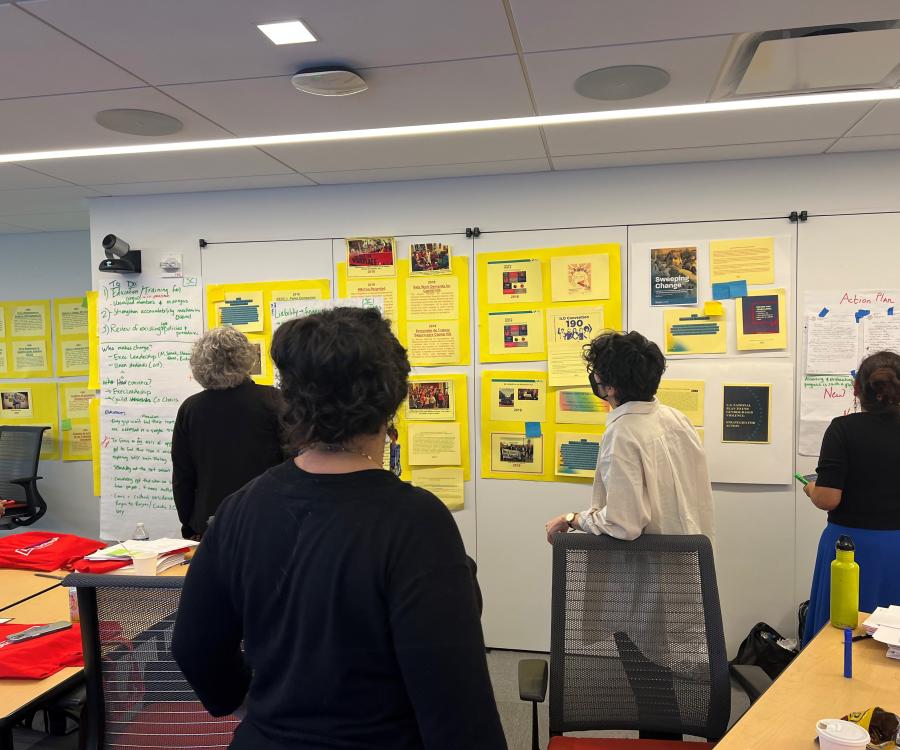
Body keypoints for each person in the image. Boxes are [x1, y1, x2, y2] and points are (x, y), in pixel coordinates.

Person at [172, 307, 506, 750]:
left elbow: (194, 645)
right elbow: (457, 703)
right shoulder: (416, 522)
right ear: (391, 400)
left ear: (289, 398)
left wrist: (250, 708)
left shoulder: (239, 509)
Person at [544, 330, 714, 543]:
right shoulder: (677, 419)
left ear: (611, 388)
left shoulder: (622, 434)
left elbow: (623, 523)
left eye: (596, 373)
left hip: (649, 567)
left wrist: (572, 519)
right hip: (689, 561)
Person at [802, 350, 900, 644]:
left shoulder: (843, 429)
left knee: (839, 638)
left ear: (857, 390)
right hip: (896, 548)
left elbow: (828, 499)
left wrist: (810, 489)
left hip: (848, 549)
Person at [171, 326, 284, 540]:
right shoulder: (274, 401)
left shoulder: (191, 409)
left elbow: (183, 476)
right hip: (268, 520)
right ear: (247, 359)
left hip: (210, 523)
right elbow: (293, 463)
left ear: (199, 365)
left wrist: (190, 525)